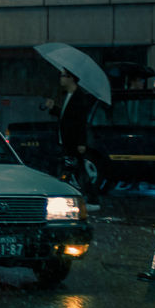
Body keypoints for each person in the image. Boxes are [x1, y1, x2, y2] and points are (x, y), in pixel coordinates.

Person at [45, 69, 99, 207]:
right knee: (72, 170)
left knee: (78, 170)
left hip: (74, 141)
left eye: (63, 76)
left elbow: (81, 121)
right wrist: (54, 108)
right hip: (68, 140)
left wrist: (81, 142)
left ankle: (91, 199)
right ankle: (82, 198)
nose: (61, 79)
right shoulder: (69, 95)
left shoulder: (79, 97)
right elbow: (66, 118)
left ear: (71, 78)